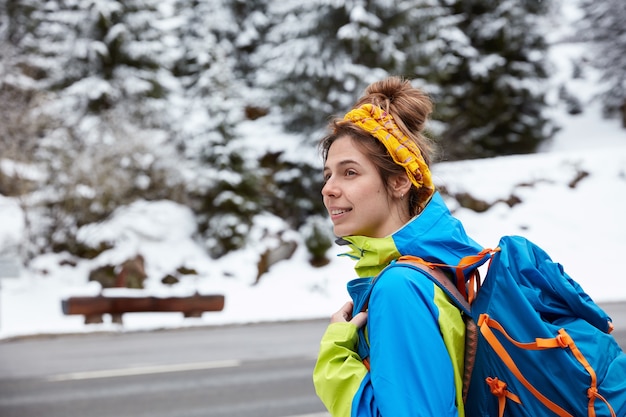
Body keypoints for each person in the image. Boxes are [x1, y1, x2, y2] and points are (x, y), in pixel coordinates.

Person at [312, 76, 484, 417]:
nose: (328, 189)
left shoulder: (400, 287)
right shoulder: (437, 267)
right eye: (327, 175)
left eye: (349, 173)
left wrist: (335, 356)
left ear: (399, 181)